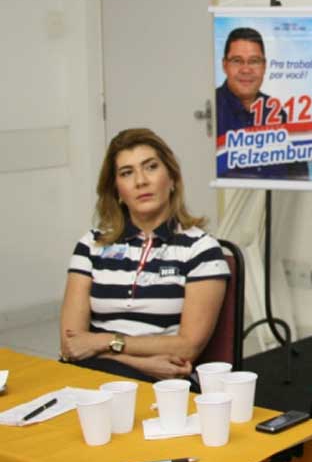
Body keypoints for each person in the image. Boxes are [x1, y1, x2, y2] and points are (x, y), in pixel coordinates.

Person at [60, 128, 230, 384]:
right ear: (117, 190)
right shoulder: (90, 245)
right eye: (127, 173)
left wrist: (100, 342)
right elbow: (71, 344)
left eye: (150, 167)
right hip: (96, 375)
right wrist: (140, 363)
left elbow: (186, 348)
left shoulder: (202, 250)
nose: (141, 181)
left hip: (163, 387)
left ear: (172, 178)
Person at [215, 26, 308, 179]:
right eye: (237, 61)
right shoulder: (212, 111)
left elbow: (300, 177)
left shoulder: (277, 113)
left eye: (254, 61)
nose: (246, 70)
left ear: (264, 66)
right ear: (224, 65)